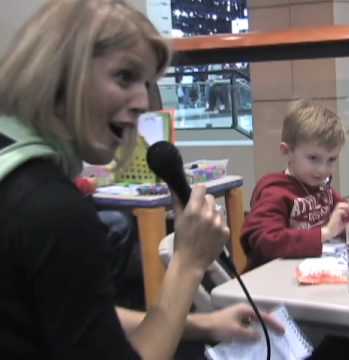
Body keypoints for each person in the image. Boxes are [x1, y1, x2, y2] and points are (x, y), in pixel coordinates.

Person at [0, 1, 283, 358]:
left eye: (148, 84)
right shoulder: (53, 211)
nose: (144, 102)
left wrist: (202, 323)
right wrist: (188, 263)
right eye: (124, 77)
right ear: (61, 70)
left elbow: (78, 315)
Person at [240, 99, 349, 360]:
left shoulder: (322, 189)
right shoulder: (274, 191)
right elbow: (265, 240)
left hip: (310, 292)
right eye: (313, 159)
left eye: (331, 160)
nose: (323, 170)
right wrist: (325, 233)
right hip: (273, 300)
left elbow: (348, 222)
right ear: (287, 151)